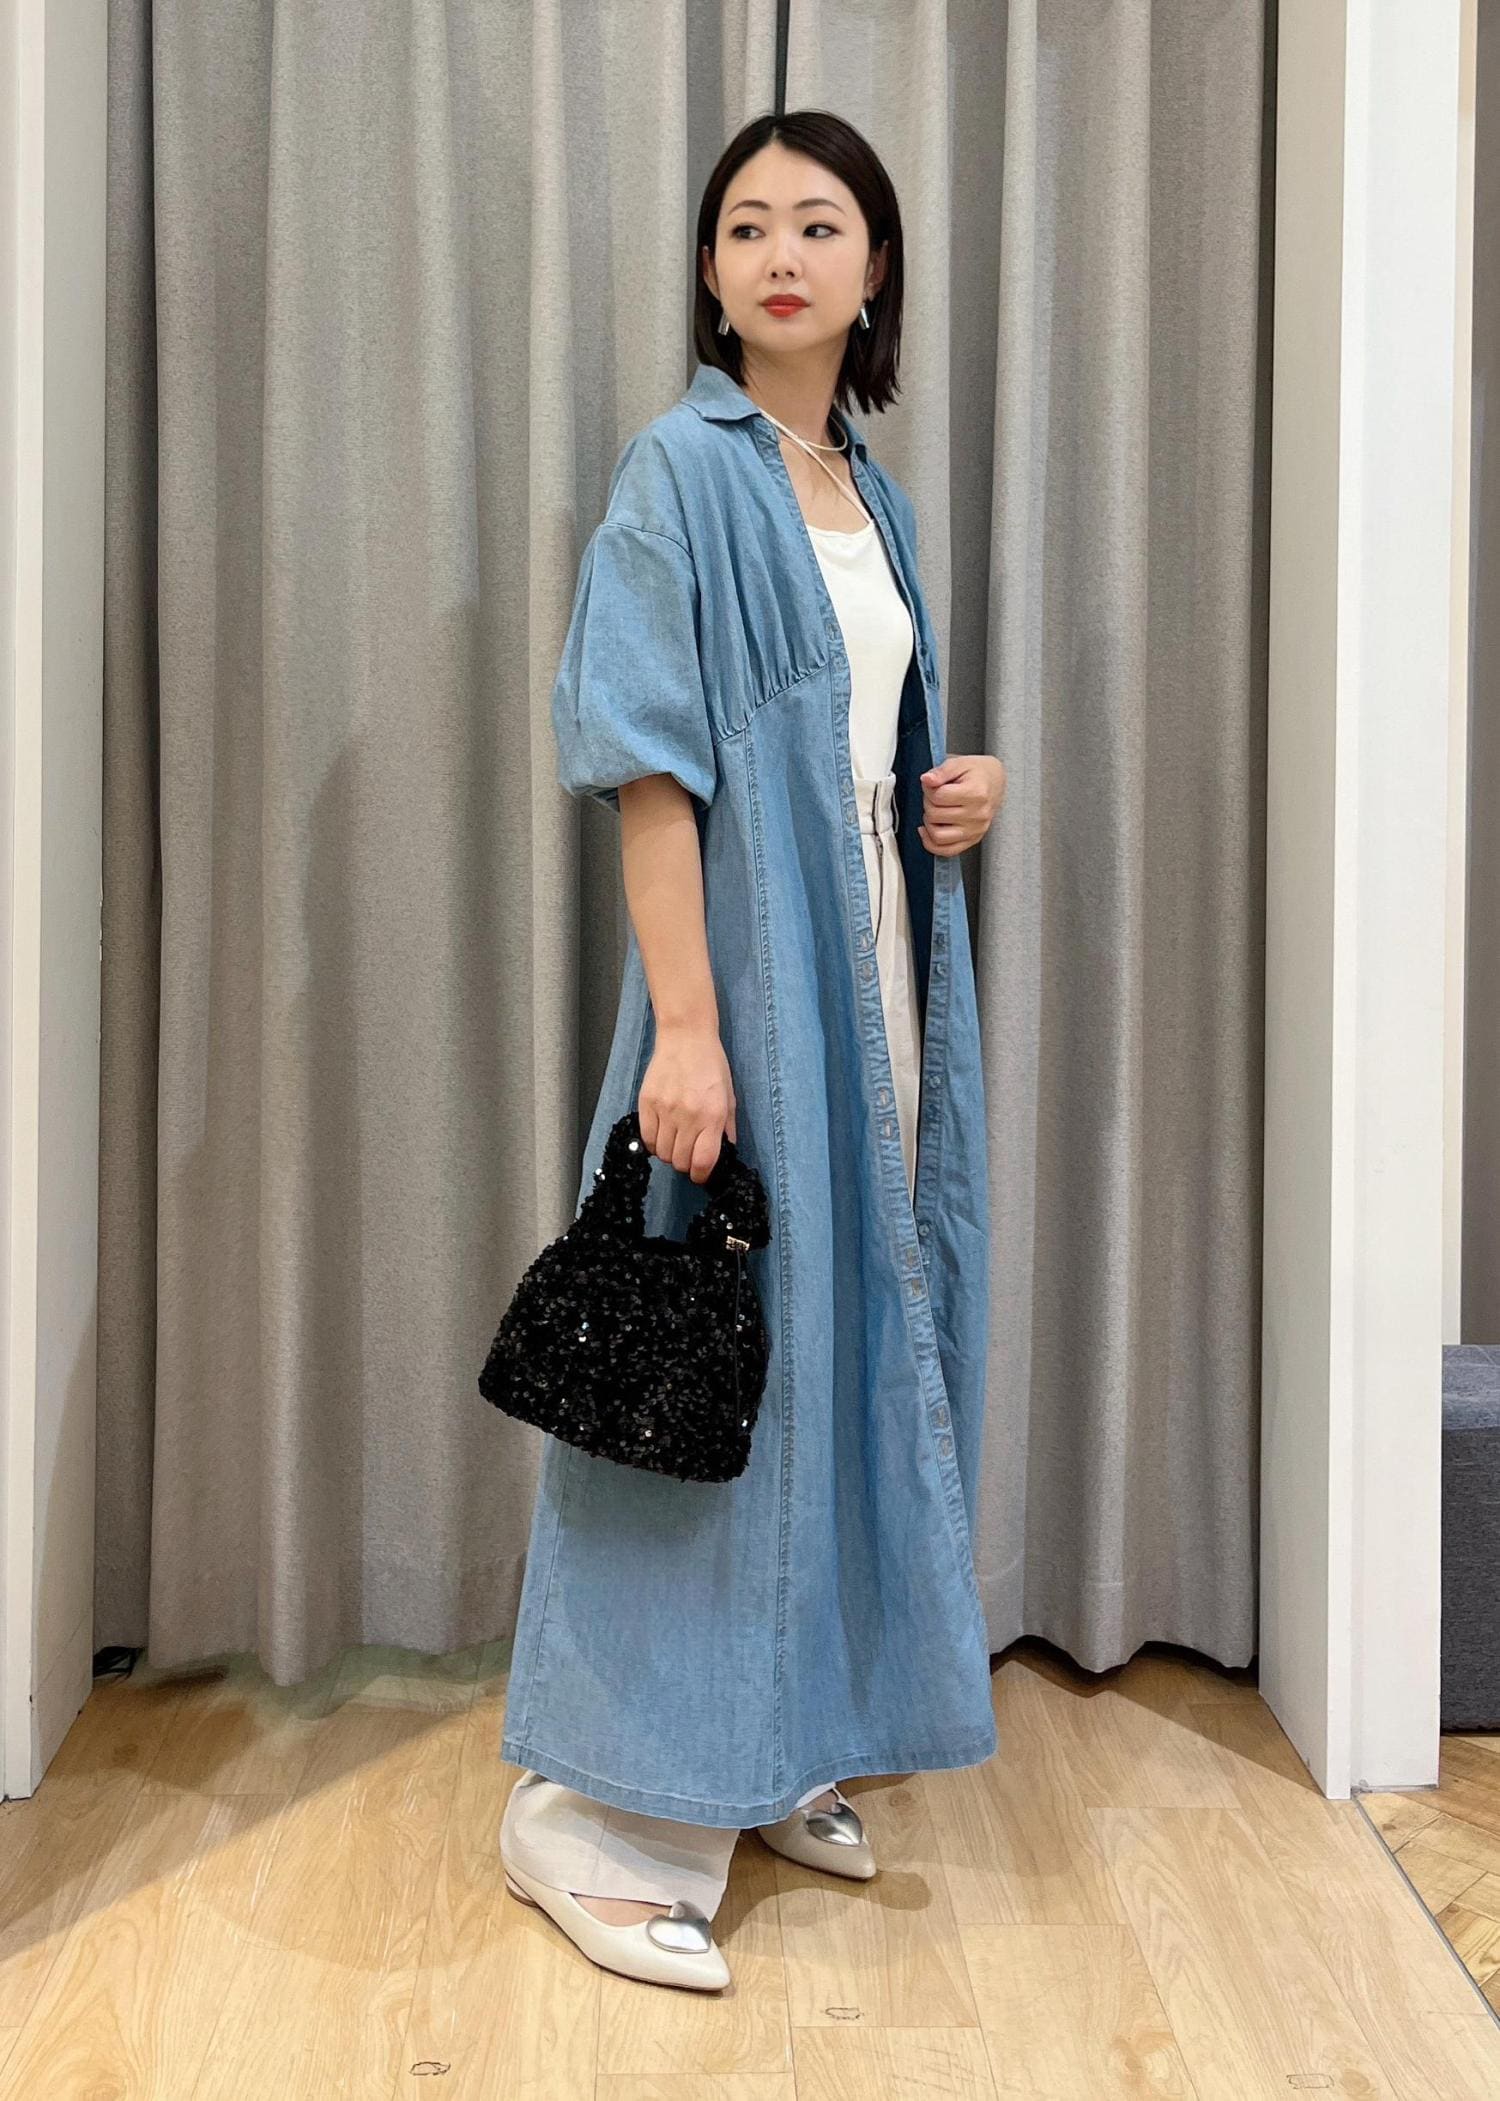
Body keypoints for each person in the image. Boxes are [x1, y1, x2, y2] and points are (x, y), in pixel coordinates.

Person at [499, 108, 1008, 1993]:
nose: (781, 254)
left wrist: (956, 790)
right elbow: (650, 764)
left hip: (884, 983)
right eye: (745, 227)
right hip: (750, 990)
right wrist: (691, 1030)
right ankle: (591, 1811)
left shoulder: (872, 494)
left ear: (875, 271)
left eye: (819, 224)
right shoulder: (680, 472)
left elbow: (859, 737)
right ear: (712, 278)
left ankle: (777, 1739)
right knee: (704, 1384)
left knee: (850, 1353)